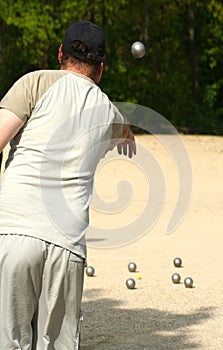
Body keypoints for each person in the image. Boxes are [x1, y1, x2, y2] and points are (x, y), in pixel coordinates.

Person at [0, 20, 136, 350]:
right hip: (67, 245)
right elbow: (125, 131)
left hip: (15, 230)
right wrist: (127, 134)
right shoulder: (108, 110)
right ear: (100, 68)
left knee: (10, 342)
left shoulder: (35, 83)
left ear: (60, 53)